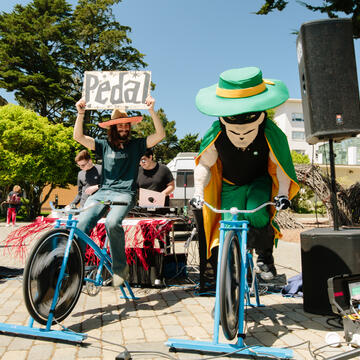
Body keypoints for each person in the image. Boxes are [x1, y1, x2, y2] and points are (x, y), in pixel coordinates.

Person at [190, 66, 299, 281]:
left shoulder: (270, 132)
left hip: (259, 180)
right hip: (230, 183)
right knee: (230, 221)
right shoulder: (216, 133)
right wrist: (198, 192)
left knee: (257, 213)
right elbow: (204, 164)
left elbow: (281, 166)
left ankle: (265, 256)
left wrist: (283, 194)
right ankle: (235, 266)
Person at [74, 95, 165, 287]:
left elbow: (160, 136)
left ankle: (120, 269)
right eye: (120, 126)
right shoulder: (103, 145)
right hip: (103, 192)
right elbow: (78, 137)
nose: (124, 129)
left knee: (112, 222)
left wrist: (151, 110)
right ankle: (75, 267)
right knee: (82, 223)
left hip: (125, 193)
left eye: (126, 125)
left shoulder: (136, 145)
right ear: (112, 127)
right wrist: (81, 113)